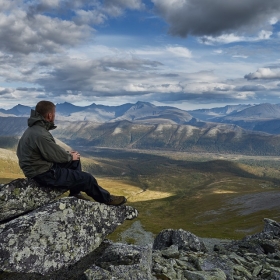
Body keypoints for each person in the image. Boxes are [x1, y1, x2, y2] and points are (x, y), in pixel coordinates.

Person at [16, 100, 127, 206]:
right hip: (43, 173)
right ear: (49, 115)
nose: (55, 116)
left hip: (39, 168)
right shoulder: (40, 134)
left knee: (75, 159)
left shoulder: (34, 129)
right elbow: (55, 154)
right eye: (54, 114)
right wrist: (69, 156)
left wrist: (71, 156)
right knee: (87, 178)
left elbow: (50, 151)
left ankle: (75, 193)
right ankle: (107, 199)